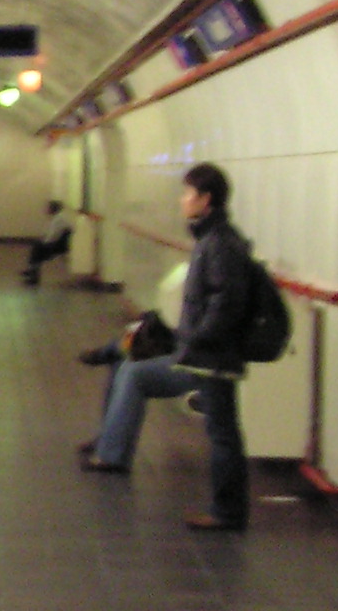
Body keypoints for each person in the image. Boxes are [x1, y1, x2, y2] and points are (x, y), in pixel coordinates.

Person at [79, 164, 251, 531]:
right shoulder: (216, 239)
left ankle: (228, 512)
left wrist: (195, 340)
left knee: (222, 434)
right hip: (204, 354)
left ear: (205, 200)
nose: (181, 200)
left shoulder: (219, 244)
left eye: (188, 194)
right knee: (134, 368)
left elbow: (226, 304)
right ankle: (111, 452)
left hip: (210, 358)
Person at [21, 200, 73, 286]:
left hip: (59, 245)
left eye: (48, 208)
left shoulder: (58, 219)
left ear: (53, 209)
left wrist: (43, 241)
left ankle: (33, 273)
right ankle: (32, 270)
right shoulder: (60, 217)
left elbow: (53, 235)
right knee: (37, 248)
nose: (46, 210)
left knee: (37, 249)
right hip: (61, 243)